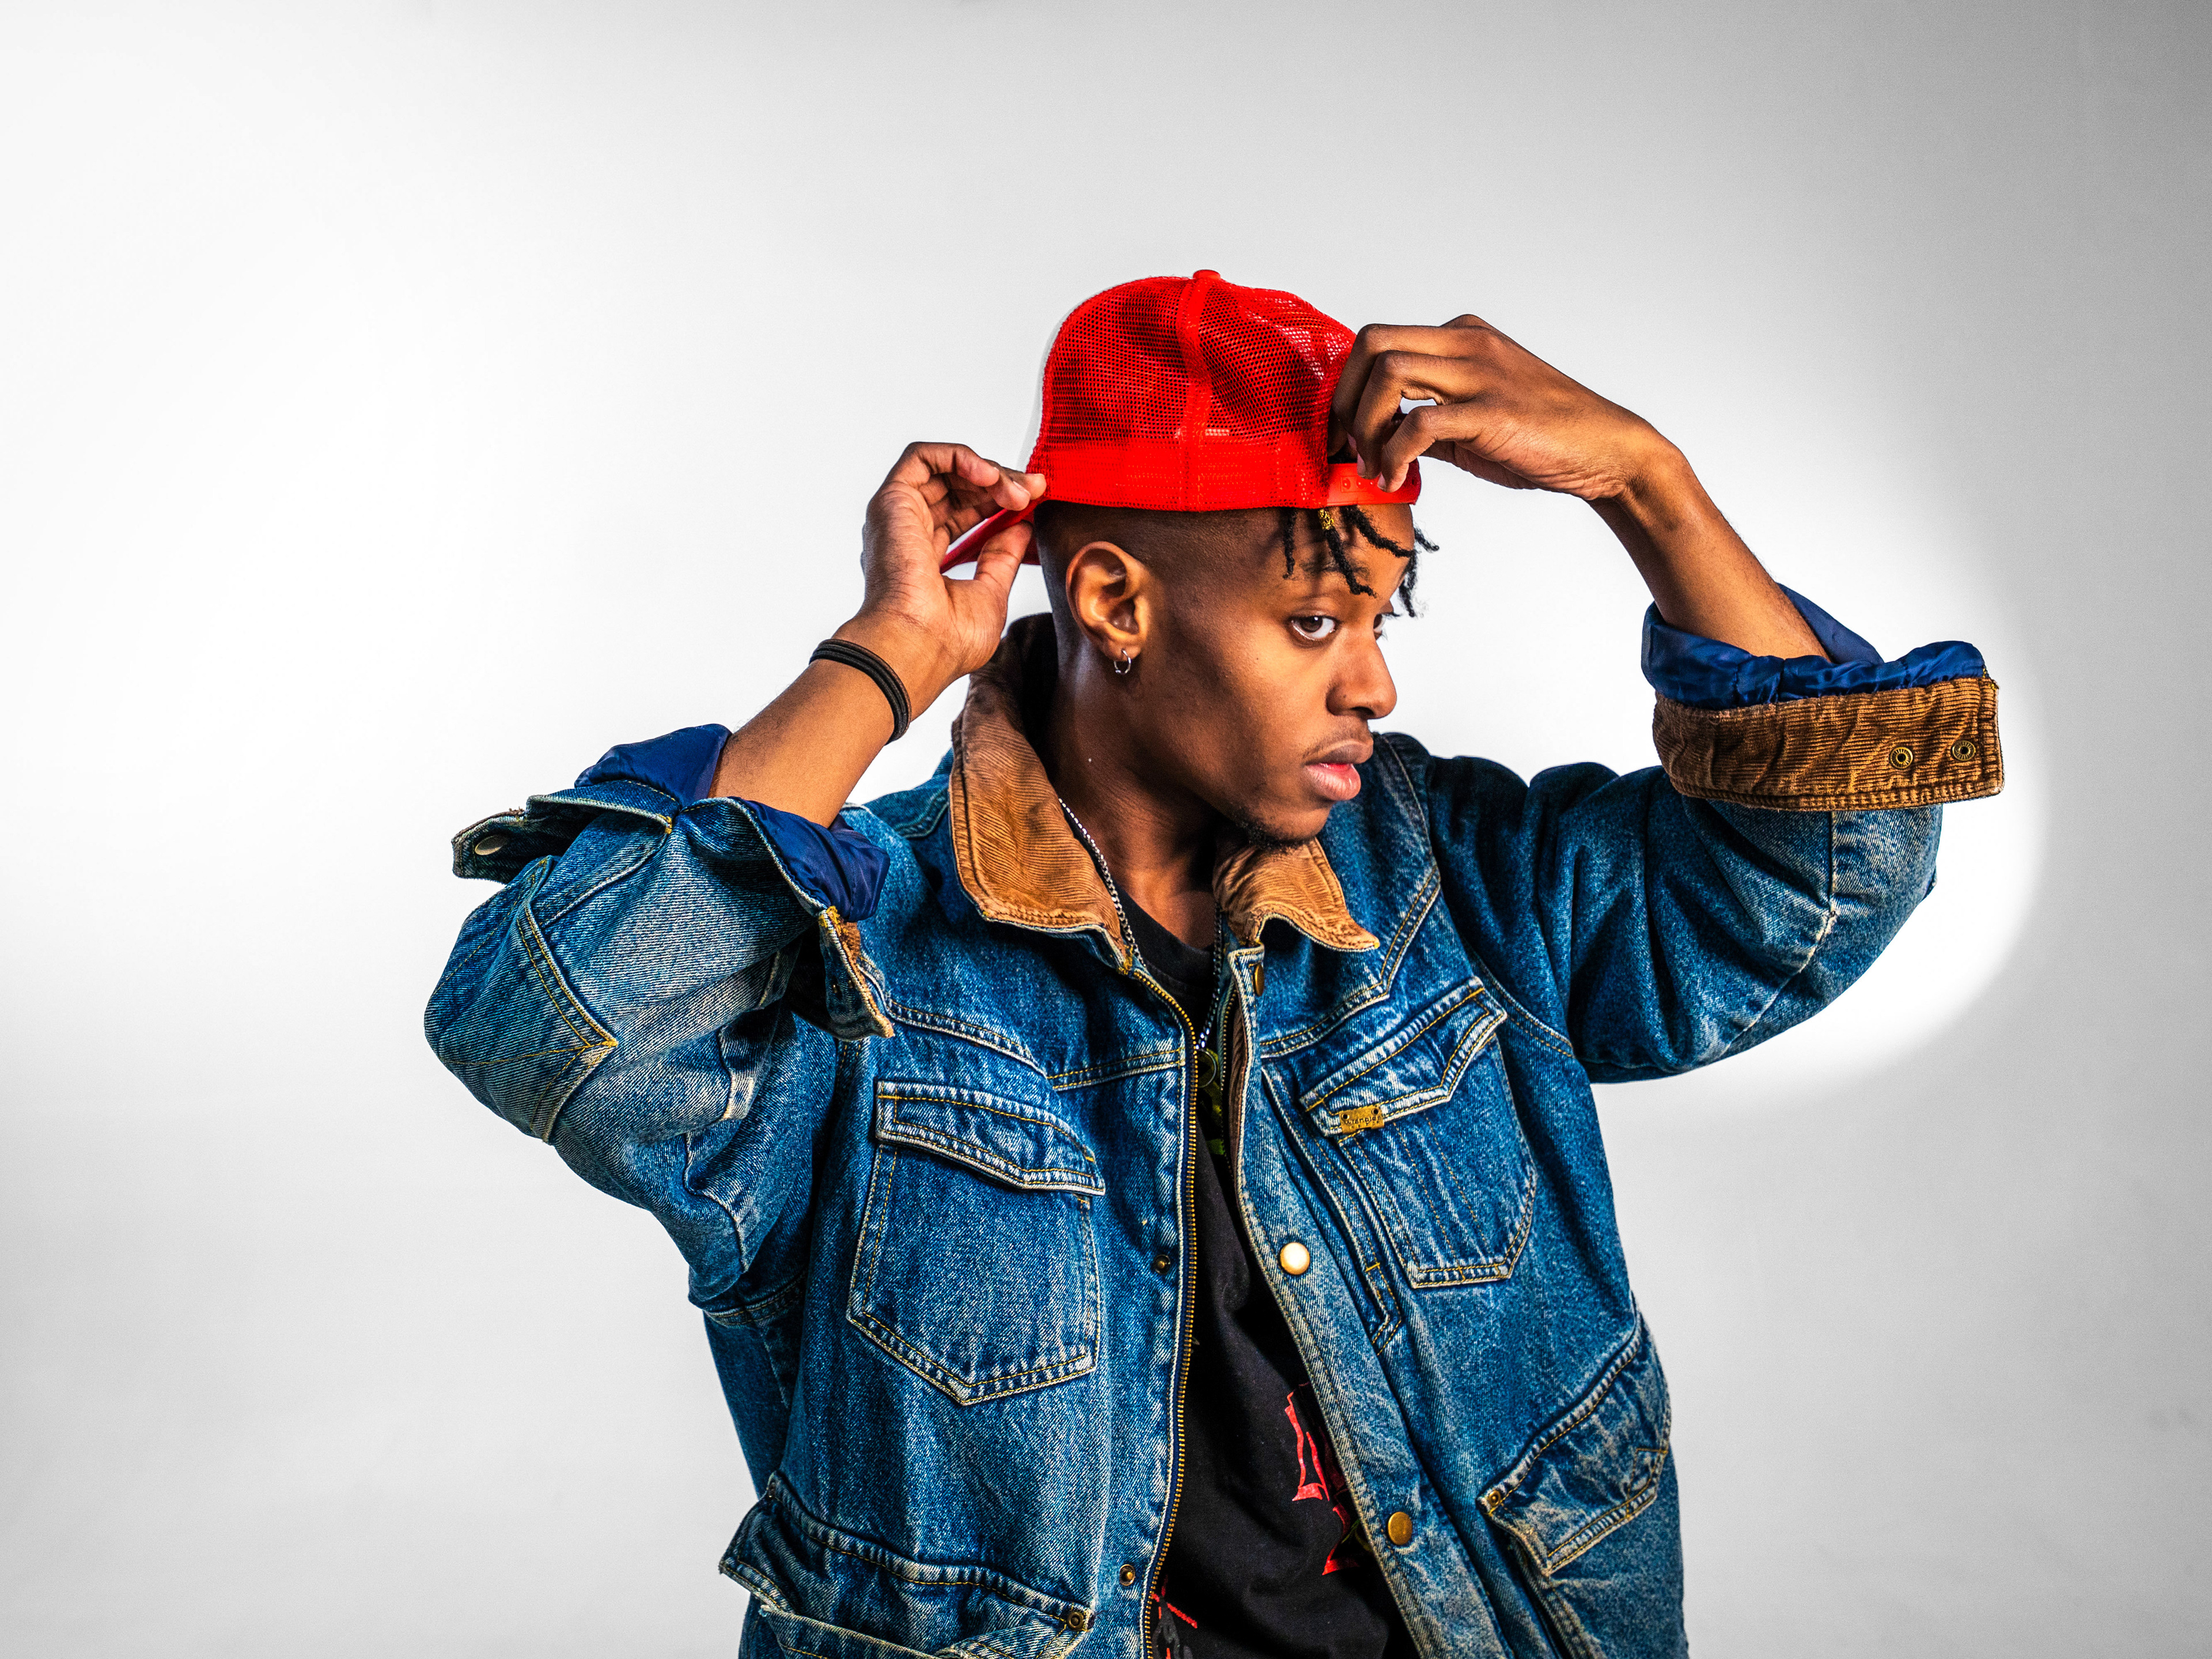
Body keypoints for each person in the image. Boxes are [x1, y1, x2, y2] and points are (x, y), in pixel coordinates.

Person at [426, 271, 2002, 1659]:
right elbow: (567, 1028)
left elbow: (1830, 871)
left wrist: (1647, 483)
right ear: (1114, 600)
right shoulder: (866, 953)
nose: (1374, 683)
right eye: (1316, 621)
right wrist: (892, 654)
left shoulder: (1450, 881)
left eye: (1380, 618)